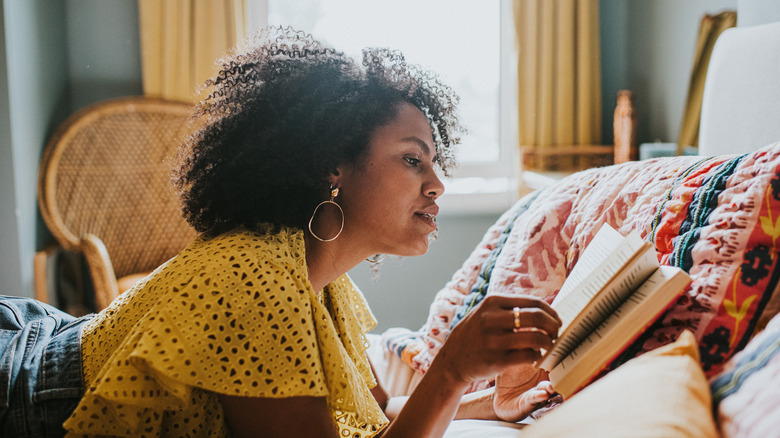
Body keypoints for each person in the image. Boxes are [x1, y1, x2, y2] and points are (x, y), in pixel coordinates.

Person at [0, 27, 561, 437]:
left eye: (435, 162)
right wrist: (451, 366)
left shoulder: (322, 281)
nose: (437, 183)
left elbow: (378, 415)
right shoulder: (256, 282)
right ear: (331, 166)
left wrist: (481, 402)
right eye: (413, 160)